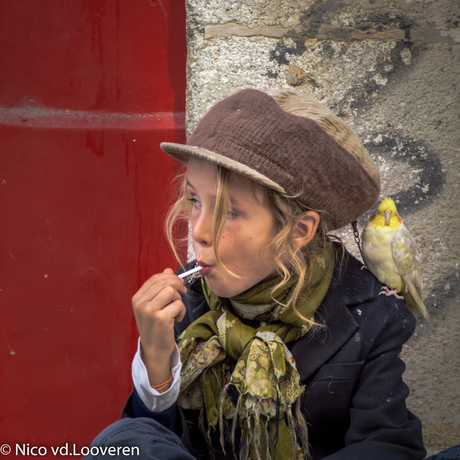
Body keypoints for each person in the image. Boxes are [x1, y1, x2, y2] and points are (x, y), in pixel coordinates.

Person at [86, 88, 450, 459]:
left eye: (230, 211)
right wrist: (157, 357)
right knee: (120, 443)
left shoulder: (370, 313)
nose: (198, 231)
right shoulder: (189, 297)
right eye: (195, 200)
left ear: (299, 231)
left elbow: (386, 445)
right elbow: (151, 439)